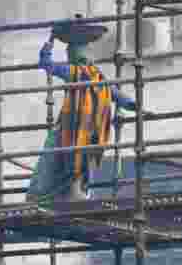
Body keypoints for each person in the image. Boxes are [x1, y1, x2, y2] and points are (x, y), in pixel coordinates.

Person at [26, 15, 143, 210]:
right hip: (88, 129)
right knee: (75, 162)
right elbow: (118, 96)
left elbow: (46, 64)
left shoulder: (77, 72)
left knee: (69, 161)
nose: (70, 53)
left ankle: (69, 195)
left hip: (76, 129)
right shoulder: (93, 75)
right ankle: (71, 194)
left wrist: (49, 44)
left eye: (70, 50)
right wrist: (135, 106)